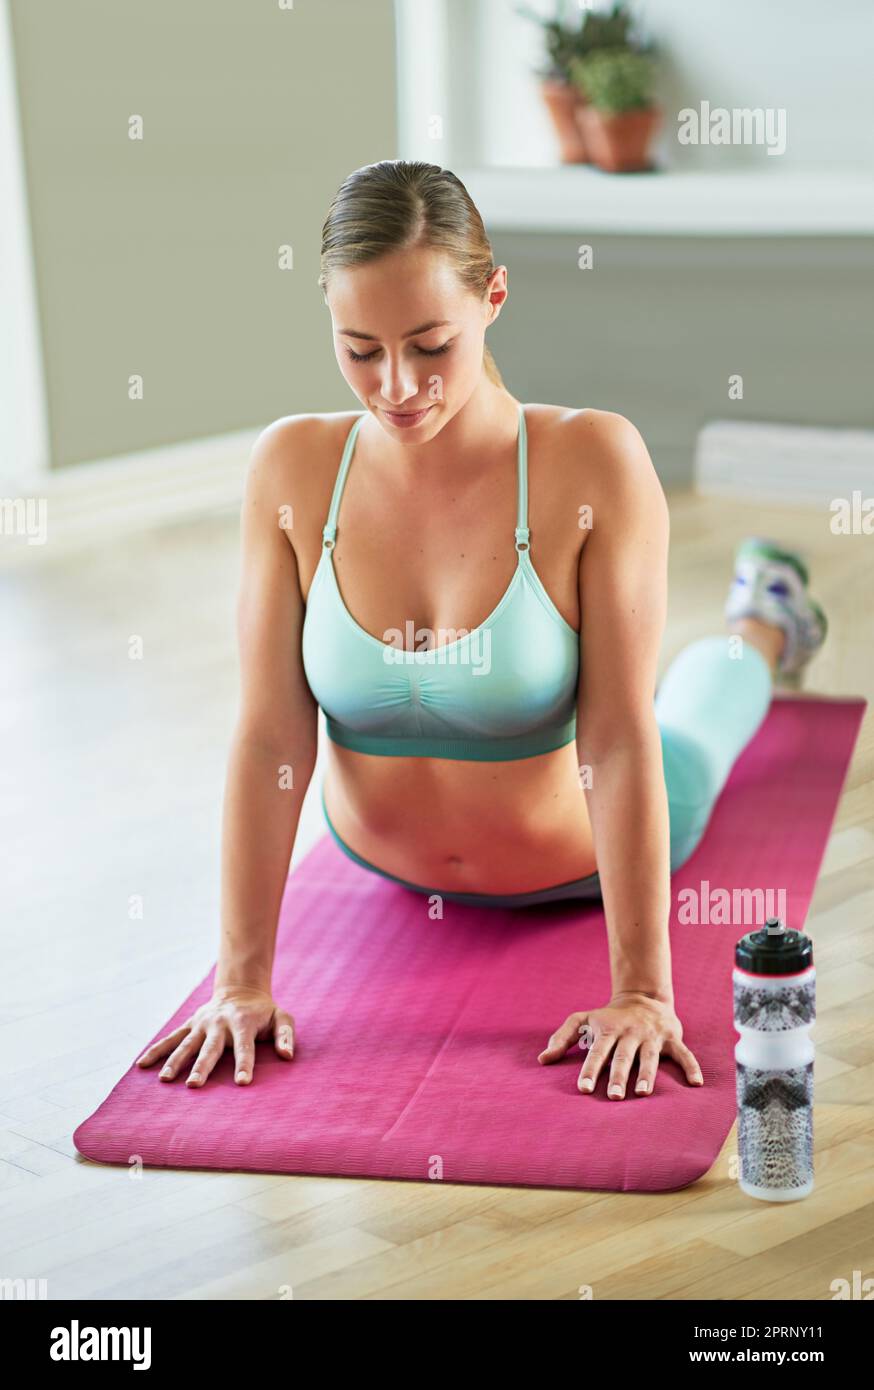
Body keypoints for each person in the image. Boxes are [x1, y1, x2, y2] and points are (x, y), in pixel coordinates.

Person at [136, 161, 826, 1100]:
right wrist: (241, 984)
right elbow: (268, 739)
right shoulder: (293, 467)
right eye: (359, 348)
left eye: (430, 345)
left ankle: (766, 615)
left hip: (575, 862)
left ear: (493, 296)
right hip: (379, 861)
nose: (396, 384)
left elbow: (619, 742)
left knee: (697, 716)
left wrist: (641, 991)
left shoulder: (591, 460)